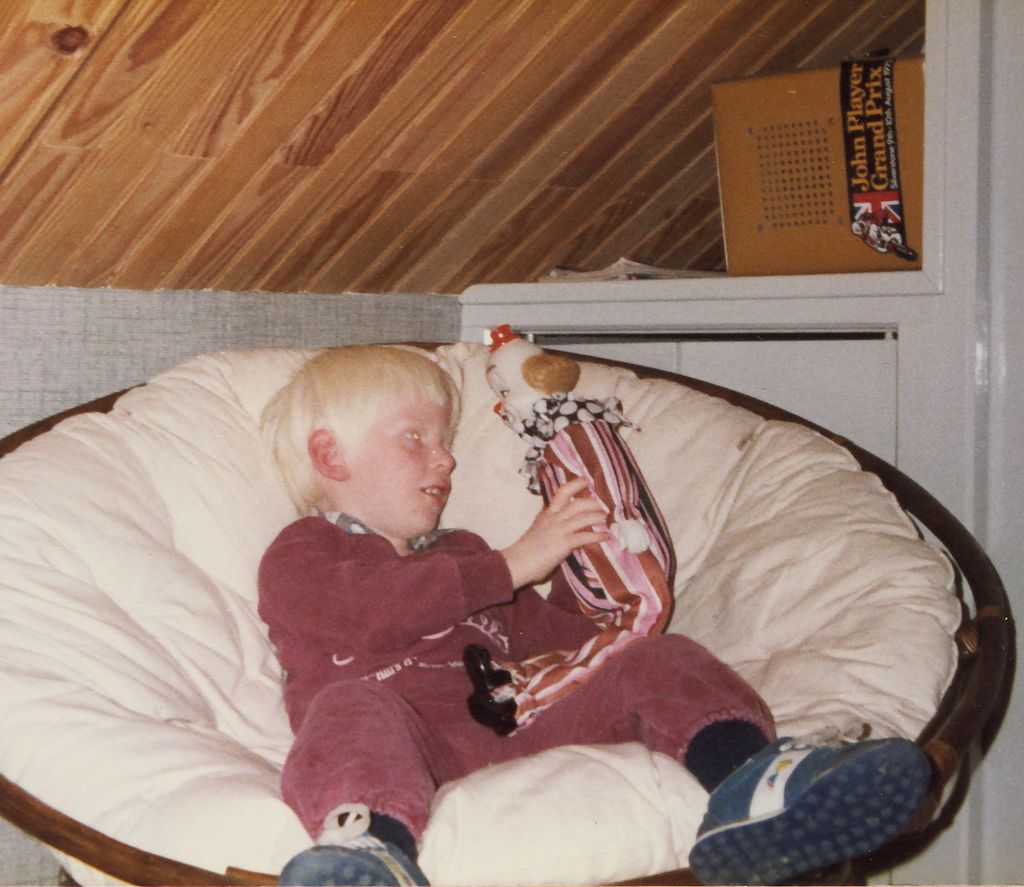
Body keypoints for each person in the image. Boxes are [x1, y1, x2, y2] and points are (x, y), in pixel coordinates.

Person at [258, 345, 931, 886]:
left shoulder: (465, 551)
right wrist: (515, 561)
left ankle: (752, 787)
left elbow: (559, 640)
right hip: (403, 748)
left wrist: (605, 577)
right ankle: (370, 849)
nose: (447, 457)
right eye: (416, 438)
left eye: (446, 440)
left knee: (659, 658)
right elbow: (368, 610)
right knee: (349, 706)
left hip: (517, 725)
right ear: (331, 455)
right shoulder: (304, 552)